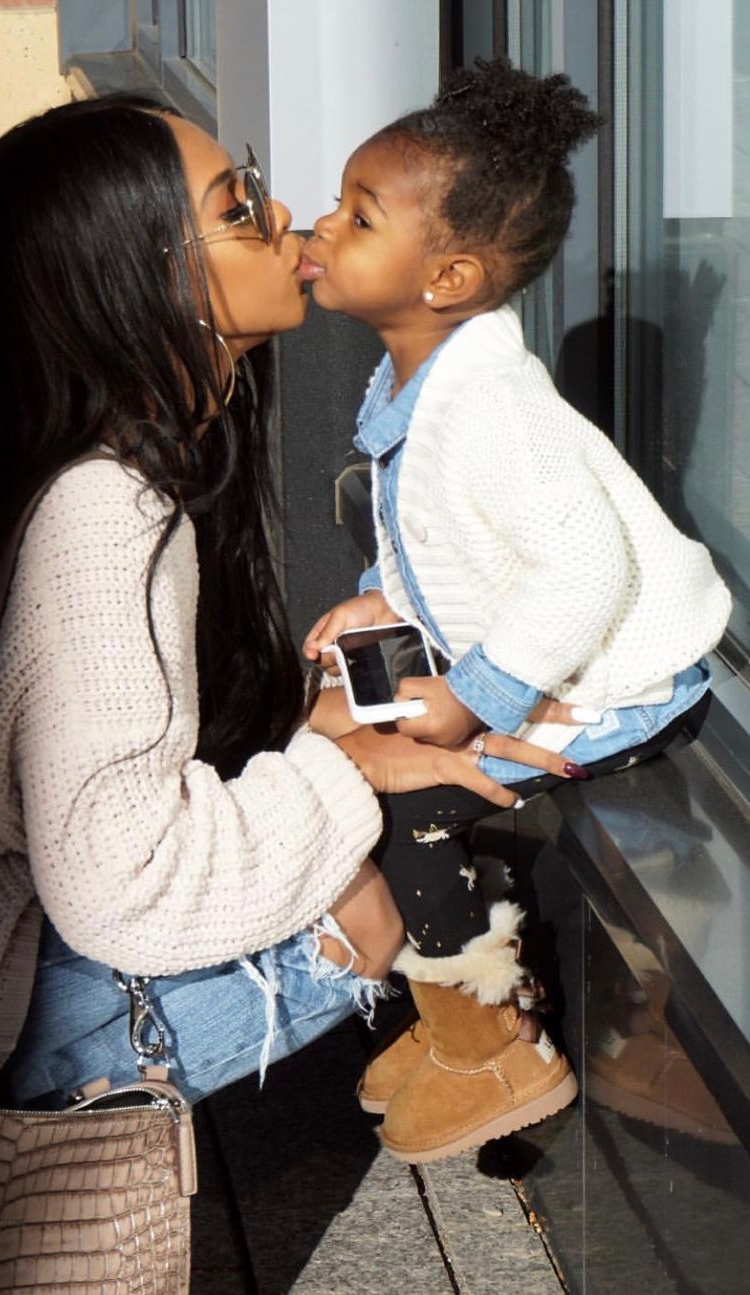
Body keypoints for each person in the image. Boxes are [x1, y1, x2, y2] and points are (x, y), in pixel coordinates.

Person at [0, 95, 578, 1133]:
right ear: (146, 285)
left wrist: (316, 727)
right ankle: (484, 1048)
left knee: (349, 809)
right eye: (236, 208)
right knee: (364, 887)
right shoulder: (103, 515)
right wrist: (346, 779)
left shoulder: (82, 450)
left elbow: (118, 747)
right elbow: (130, 888)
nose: (280, 213)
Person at [300, 59, 731, 1164]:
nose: (322, 226)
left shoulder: (490, 402)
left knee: (407, 807)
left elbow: (582, 569)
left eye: (358, 216)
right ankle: (459, 1014)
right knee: (348, 748)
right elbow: (449, 531)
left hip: (616, 686)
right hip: (537, 659)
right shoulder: (426, 374)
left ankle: (494, 1048)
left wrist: (477, 698)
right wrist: (383, 597)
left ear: (446, 277)